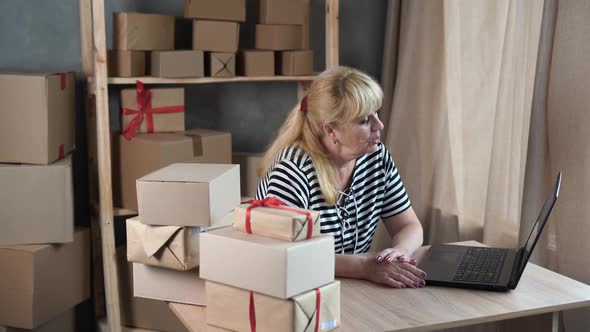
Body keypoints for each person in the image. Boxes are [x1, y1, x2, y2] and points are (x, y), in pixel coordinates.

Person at [256, 66, 426, 289]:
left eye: (377, 113)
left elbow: (409, 226)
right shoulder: (292, 170)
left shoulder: (376, 157)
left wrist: (400, 252)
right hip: (300, 287)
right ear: (330, 130)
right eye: (365, 121)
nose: (379, 125)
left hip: (350, 286)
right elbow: (285, 256)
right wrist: (365, 266)